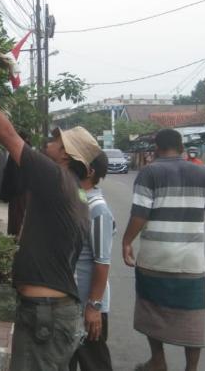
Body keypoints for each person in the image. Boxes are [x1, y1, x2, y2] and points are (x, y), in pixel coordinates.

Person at [0, 60, 95, 370]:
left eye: (60, 141)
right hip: (48, 310)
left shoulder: (56, 178)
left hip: (45, 313)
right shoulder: (74, 190)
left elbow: (5, 134)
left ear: (66, 156)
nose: (53, 140)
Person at [123, 129, 205, 371]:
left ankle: (158, 361)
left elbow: (140, 214)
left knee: (152, 309)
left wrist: (126, 241)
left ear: (156, 148)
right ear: (181, 147)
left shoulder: (149, 172)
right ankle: (191, 368)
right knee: (192, 316)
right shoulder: (203, 173)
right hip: (191, 260)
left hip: (155, 257)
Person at [70, 152, 116, 371]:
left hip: (87, 305)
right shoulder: (79, 200)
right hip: (71, 302)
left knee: (93, 363)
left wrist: (94, 307)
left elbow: (102, 262)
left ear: (90, 172)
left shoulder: (97, 209)